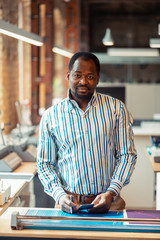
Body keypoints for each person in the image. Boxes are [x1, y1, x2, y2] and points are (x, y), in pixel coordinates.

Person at [36, 52, 137, 214]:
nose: (83, 81)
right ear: (68, 76)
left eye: (90, 76)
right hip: (67, 203)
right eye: (77, 75)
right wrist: (59, 195)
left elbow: (127, 155)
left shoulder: (116, 109)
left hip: (110, 203)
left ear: (97, 79)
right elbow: (44, 164)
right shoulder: (51, 116)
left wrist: (111, 192)